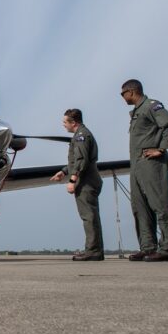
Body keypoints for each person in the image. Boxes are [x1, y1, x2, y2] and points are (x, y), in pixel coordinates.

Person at [121, 79, 168, 261]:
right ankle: (147, 247)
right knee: (140, 207)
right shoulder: (138, 112)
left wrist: (161, 149)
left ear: (131, 92)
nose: (122, 97)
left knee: (160, 204)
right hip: (137, 165)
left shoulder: (151, 105)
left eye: (122, 93)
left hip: (151, 163)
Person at [51, 109, 103, 261]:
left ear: (73, 122)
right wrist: (63, 171)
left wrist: (72, 180)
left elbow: (81, 160)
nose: (63, 125)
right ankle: (94, 250)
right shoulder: (81, 135)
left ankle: (93, 251)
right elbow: (77, 160)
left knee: (89, 216)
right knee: (89, 216)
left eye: (65, 122)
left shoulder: (81, 136)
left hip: (86, 181)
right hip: (87, 179)